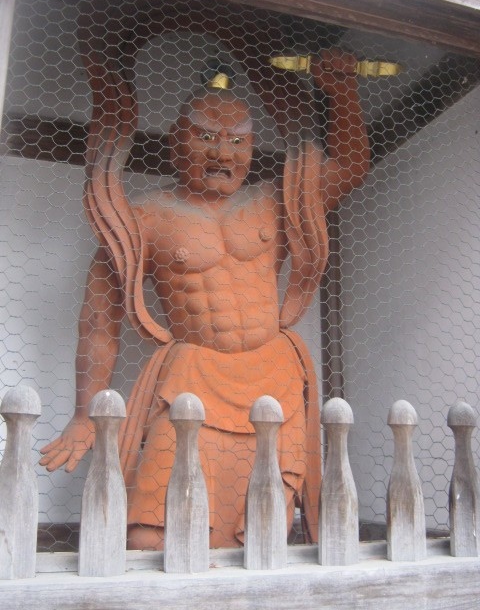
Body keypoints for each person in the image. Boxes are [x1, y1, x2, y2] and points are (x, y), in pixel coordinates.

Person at [40, 49, 369, 549]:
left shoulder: (275, 201)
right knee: (150, 534)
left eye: (238, 140)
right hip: (191, 380)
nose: (224, 153)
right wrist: (85, 412)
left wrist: (342, 92)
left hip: (273, 378)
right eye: (207, 137)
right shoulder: (142, 218)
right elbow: (99, 322)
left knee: (264, 531)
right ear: (176, 143)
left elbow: (350, 166)